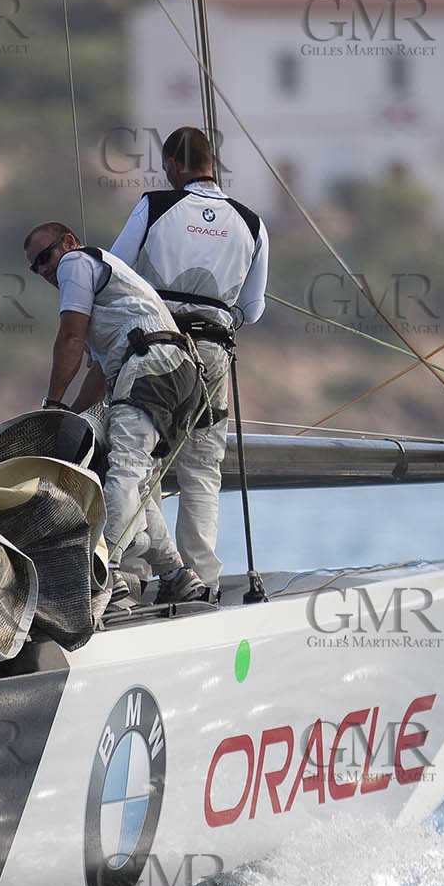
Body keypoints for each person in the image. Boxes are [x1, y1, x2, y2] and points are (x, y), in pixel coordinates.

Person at [110, 126, 268, 603]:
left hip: (160, 347)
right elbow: (254, 309)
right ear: (213, 164)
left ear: (174, 168)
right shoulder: (252, 222)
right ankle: (202, 578)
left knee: (144, 460)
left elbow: (116, 270)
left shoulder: (155, 206)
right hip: (215, 353)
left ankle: (137, 573)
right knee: (202, 467)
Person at [24, 220, 210, 611]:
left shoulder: (77, 262)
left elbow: (71, 338)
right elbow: (99, 376)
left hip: (149, 366)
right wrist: (71, 415)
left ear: (69, 242)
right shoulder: (113, 294)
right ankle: (178, 576)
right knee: (136, 482)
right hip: (179, 372)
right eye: (35, 268)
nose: (44, 271)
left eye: (45, 257)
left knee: (124, 470)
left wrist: (52, 406)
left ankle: (102, 575)